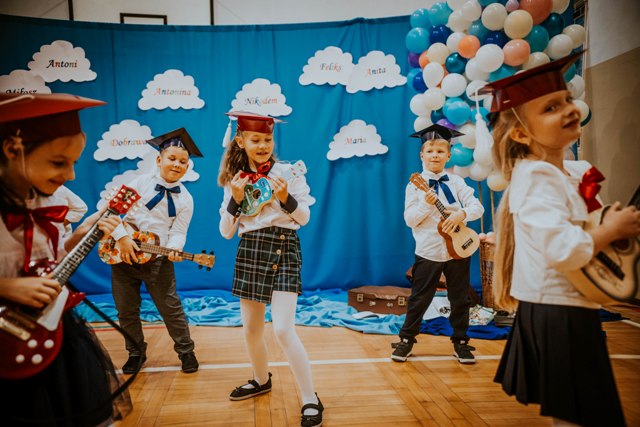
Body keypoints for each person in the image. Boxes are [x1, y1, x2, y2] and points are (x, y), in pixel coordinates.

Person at [484, 51, 640, 426]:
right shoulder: (537, 177)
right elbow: (563, 250)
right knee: (583, 414)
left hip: (566, 306)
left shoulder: (562, 173)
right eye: (551, 107)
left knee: (575, 413)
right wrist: (610, 230)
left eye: (567, 100)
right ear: (521, 133)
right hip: (558, 311)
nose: (569, 109)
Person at [0, 92, 131, 426]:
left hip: (50, 331)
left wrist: (83, 233)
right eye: (59, 163)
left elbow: (53, 261)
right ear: (12, 149)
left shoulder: (49, 199)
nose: (71, 175)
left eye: (74, 162)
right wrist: (7, 287)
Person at [218, 111, 323, 427]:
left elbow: (303, 218)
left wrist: (285, 197)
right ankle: (261, 380)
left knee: (282, 329)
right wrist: (236, 199)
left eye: (267, 139)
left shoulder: (288, 172)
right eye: (255, 140)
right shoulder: (235, 180)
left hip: (284, 247)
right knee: (251, 330)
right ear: (241, 141)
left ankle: (310, 397)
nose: (263, 145)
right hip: (250, 249)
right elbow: (226, 231)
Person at [108, 127, 202, 374]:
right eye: (172, 158)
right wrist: (122, 238)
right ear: (159, 160)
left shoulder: (186, 199)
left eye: (183, 161)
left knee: (170, 308)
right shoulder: (138, 183)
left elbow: (178, 232)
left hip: (158, 260)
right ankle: (135, 352)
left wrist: (174, 249)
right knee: (126, 309)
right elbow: (112, 212)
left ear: (188, 166)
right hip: (124, 257)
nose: (177, 164)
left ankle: (186, 351)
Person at [391, 123, 484, 364]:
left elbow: (477, 207)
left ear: (449, 156)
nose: (435, 155)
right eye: (430, 151)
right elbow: (410, 220)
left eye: (440, 151)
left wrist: (461, 214)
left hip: (458, 250)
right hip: (429, 250)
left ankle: (461, 342)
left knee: (460, 298)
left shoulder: (457, 182)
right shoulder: (415, 185)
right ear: (421, 155)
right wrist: (425, 204)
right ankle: (406, 339)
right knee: (420, 298)